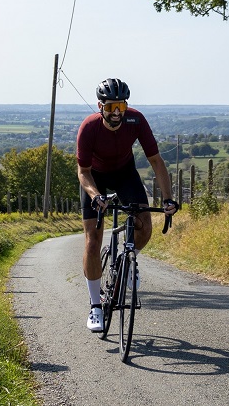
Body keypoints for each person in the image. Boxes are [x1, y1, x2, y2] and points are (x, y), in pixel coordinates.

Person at [76, 78, 178, 332]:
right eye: (111, 108)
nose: (117, 113)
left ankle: (128, 259)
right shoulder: (89, 128)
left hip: (125, 173)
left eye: (121, 106)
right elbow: (83, 171)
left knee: (145, 226)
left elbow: (155, 160)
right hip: (95, 177)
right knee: (92, 239)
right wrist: (95, 195)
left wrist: (167, 198)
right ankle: (95, 306)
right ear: (100, 106)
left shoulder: (136, 120)